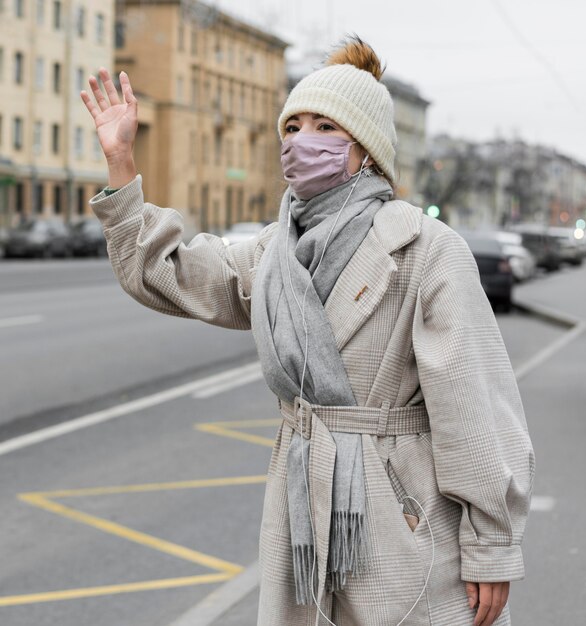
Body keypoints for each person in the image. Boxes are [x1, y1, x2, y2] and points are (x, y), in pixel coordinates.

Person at [81, 36, 534, 626]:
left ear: (366, 148)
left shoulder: (425, 249)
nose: (300, 140)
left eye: (323, 125)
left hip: (399, 510)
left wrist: (491, 545)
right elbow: (167, 273)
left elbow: (473, 405)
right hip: (300, 502)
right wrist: (122, 163)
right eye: (291, 125)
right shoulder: (275, 252)